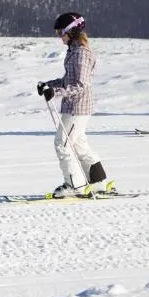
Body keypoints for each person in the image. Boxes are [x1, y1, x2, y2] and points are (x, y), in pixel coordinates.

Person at [37, 12, 115, 198]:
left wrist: (55, 93)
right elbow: (67, 80)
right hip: (75, 106)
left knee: (62, 144)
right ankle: (98, 183)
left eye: (60, 33)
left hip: (77, 108)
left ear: (71, 31)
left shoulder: (81, 54)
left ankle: (74, 185)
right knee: (79, 145)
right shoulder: (74, 51)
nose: (59, 37)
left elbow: (81, 85)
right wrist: (49, 85)